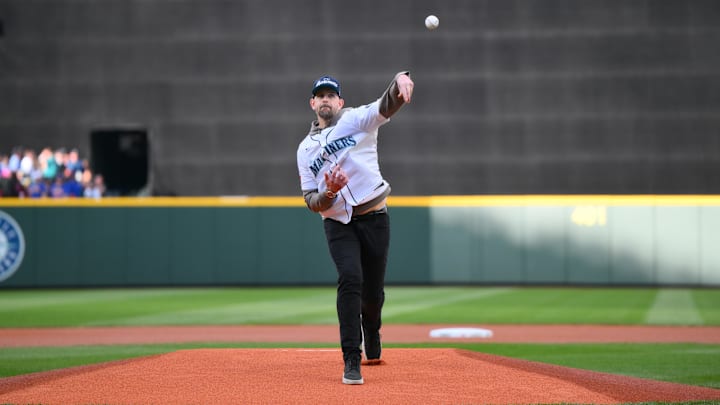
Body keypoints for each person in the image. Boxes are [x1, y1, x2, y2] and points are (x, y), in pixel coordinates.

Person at [296, 71, 414, 385]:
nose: (325, 99)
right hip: (337, 223)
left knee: (372, 293)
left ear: (340, 101)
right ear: (312, 103)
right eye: (320, 95)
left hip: (374, 216)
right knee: (351, 279)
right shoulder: (304, 150)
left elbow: (383, 106)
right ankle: (351, 357)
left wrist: (399, 82)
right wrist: (329, 193)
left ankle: (372, 329)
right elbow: (310, 199)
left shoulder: (355, 120)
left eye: (330, 95)